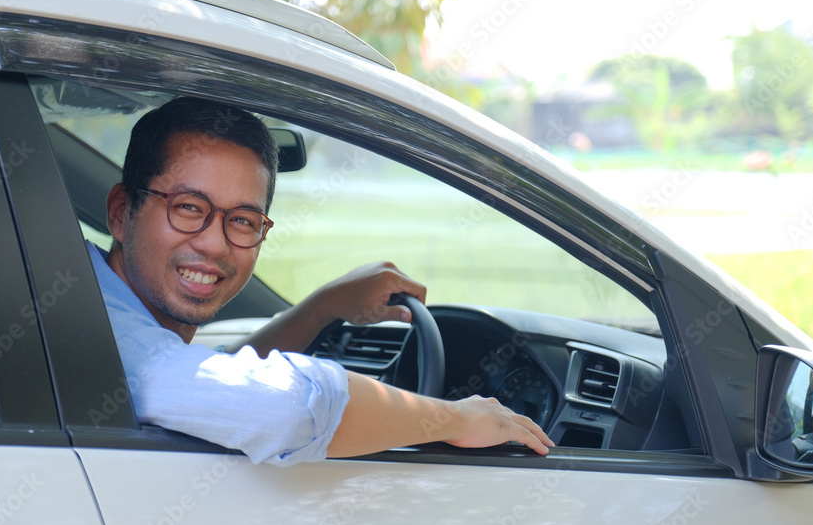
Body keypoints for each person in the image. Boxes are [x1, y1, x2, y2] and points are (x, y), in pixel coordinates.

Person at [87, 96, 553, 466]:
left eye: (245, 220)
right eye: (188, 207)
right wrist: (455, 419)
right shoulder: (96, 330)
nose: (214, 244)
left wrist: (321, 308)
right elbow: (287, 410)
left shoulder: (95, 304)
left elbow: (205, 384)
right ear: (121, 212)